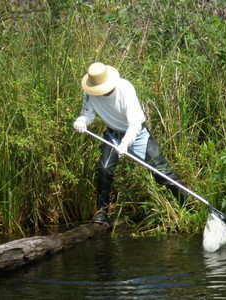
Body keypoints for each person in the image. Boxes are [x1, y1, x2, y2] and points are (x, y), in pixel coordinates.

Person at [73, 62, 188, 223]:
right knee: (104, 169)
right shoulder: (90, 92)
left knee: (162, 172)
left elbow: (134, 123)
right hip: (113, 135)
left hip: (138, 134)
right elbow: (87, 114)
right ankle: (102, 212)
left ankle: (188, 205)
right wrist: (82, 121)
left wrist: (126, 143)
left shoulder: (125, 89)